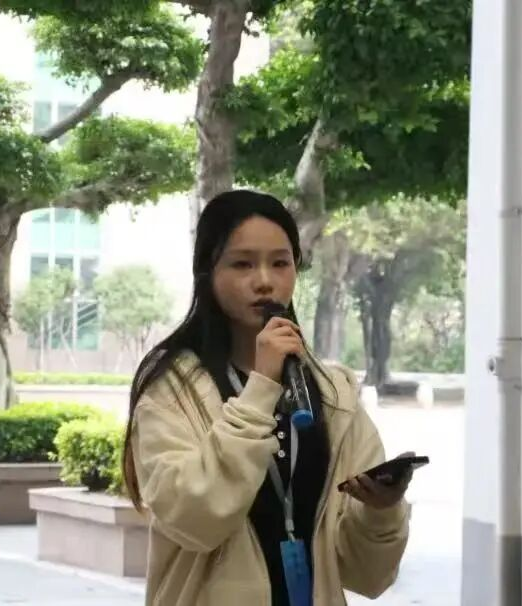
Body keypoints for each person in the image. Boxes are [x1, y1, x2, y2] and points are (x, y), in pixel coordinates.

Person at [123, 190, 413, 605]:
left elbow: (369, 574)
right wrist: (261, 386)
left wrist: (380, 510)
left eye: (280, 262)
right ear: (207, 271)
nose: (264, 280)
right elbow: (193, 519)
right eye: (242, 263)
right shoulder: (173, 389)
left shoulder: (334, 394)